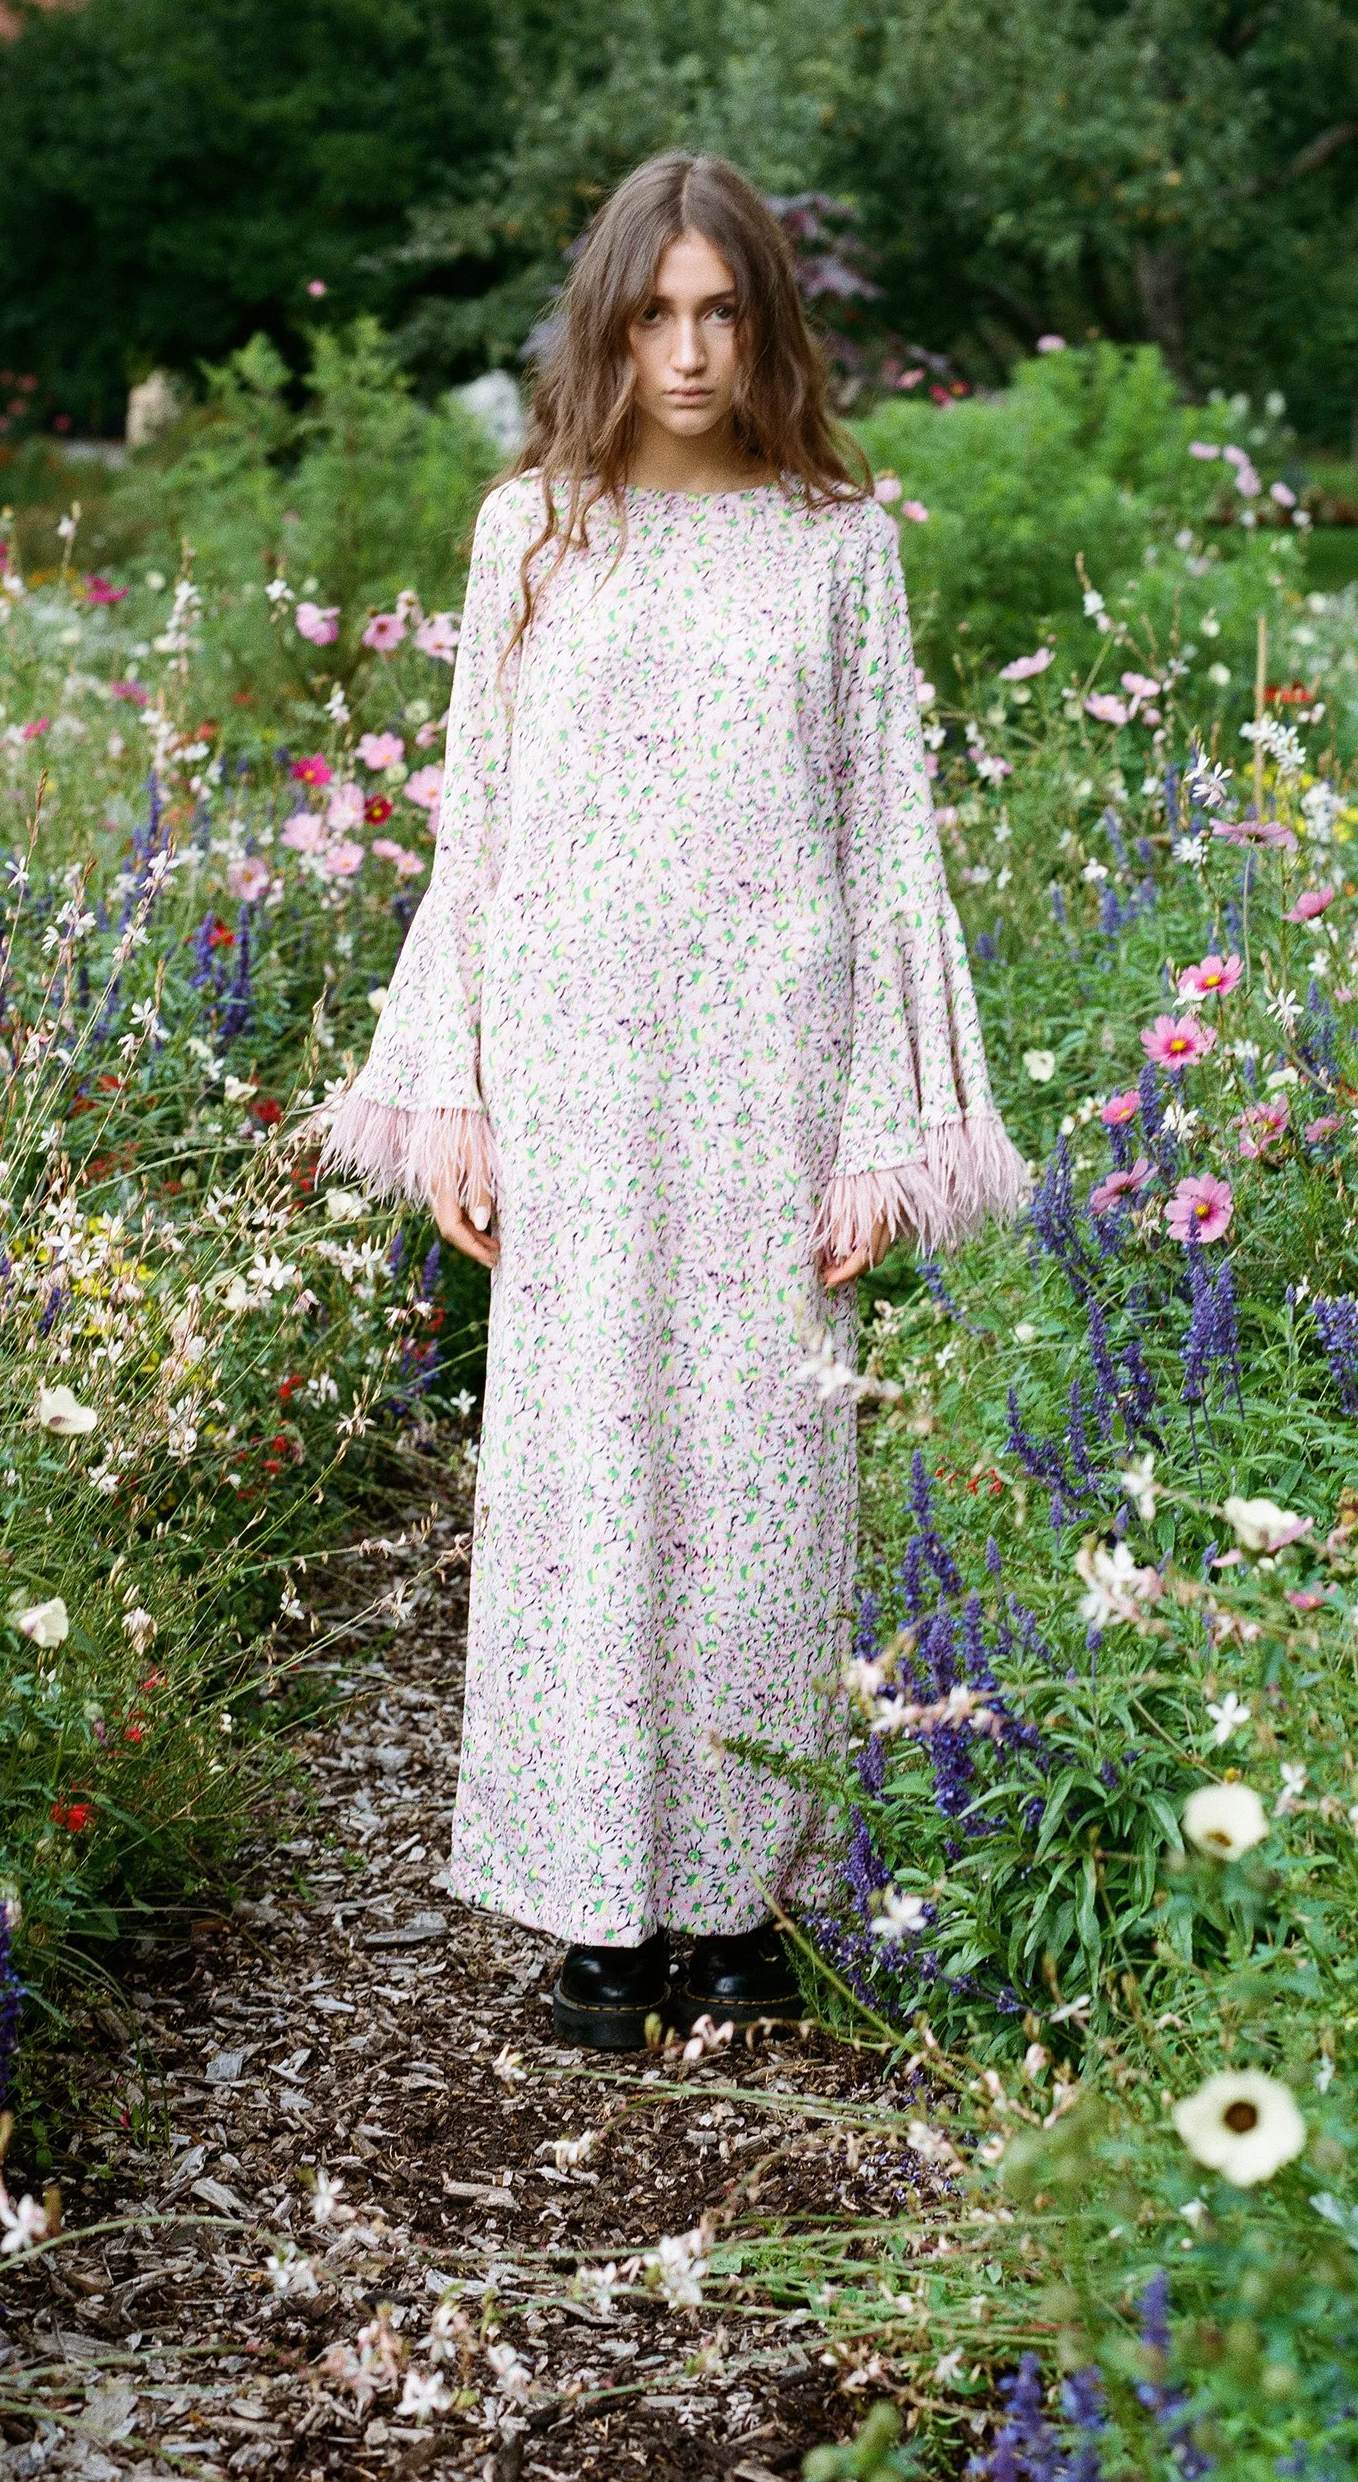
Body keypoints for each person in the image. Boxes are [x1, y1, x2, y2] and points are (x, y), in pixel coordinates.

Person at [313, 150, 1027, 2047]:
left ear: (766, 326)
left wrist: (889, 1124)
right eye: (656, 313)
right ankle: (594, 1902)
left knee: (770, 1469)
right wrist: (450, 1093)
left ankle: (737, 1907)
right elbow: (474, 829)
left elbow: (893, 848)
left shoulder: (838, 543)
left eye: (724, 313)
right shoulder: (530, 531)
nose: (690, 351)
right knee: (584, 1468)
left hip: (773, 1065)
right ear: (605, 323)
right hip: (575, 1061)